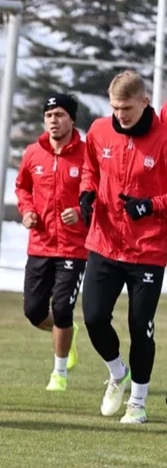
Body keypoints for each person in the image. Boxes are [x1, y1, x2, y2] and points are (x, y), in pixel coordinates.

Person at [80, 70, 167, 424]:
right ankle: (118, 372)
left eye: (126, 108)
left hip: (148, 249)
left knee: (139, 324)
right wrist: (86, 193)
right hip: (104, 242)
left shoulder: (163, 138)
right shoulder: (99, 130)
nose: (120, 115)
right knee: (93, 317)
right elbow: (89, 169)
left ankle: (138, 403)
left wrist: (151, 205)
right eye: (115, 107)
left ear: (144, 101)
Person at [15, 93, 88, 392]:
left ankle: (59, 374)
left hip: (74, 246)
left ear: (72, 119)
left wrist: (81, 212)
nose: (53, 121)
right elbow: (22, 188)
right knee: (34, 311)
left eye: (59, 115)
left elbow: (99, 192)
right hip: (40, 244)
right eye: (49, 116)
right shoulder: (33, 153)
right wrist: (27, 211)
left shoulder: (87, 154)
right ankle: (68, 331)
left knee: (62, 307)